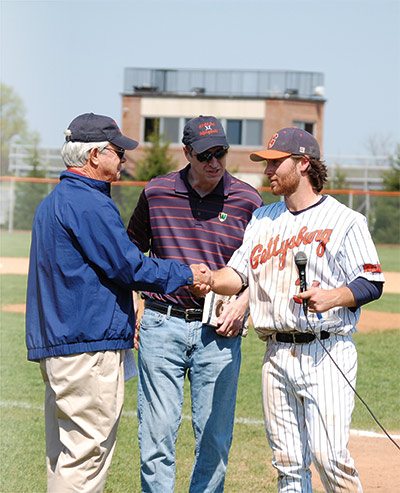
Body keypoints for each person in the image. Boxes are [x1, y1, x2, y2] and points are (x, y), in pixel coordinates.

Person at [25, 112, 211, 493]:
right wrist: (188, 275)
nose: (124, 159)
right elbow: (129, 266)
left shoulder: (54, 201)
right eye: (117, 152)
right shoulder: (88, 203)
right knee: (86, 457)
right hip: (86, 346)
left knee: (64, 455)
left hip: (61, 345)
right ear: (94, 155)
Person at [196, 127, 385, 492]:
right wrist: (209, 279)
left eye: (275, 163)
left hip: (325, 351)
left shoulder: (345, 220)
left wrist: (333, 297)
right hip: (276, 352)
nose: (268, 172)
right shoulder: (263, 219)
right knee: (288, 464)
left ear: (302, 164)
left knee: (331, 459)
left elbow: (371, 282)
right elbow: (239, 274)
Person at [127, 115, 264, 492]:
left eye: (221, 152)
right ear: (187, 153)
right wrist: (136, 301)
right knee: (156, 439)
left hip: (220, 331)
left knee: (214, 440)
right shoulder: (156, 193)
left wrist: (244, 304)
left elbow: (264, 268)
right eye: (205, 155)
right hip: (161, 324)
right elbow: (130, 255)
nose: (215, 162)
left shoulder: (249, 200)